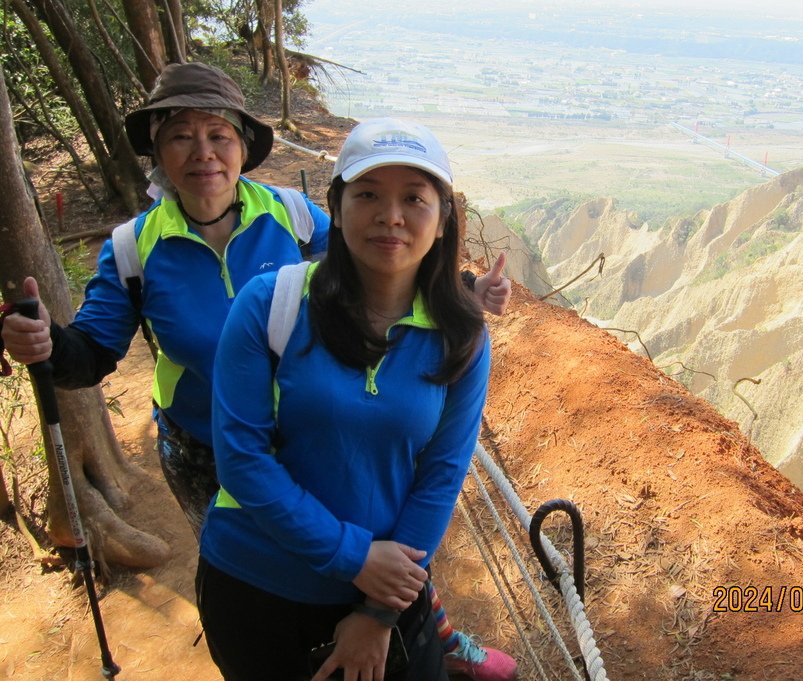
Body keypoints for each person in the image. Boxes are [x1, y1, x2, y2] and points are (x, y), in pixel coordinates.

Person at [0, 64, 515, 680]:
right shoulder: (137, 247)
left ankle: (423, 628)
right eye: (181, 136)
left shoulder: (290, 216)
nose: (203, 153)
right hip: (203, 446)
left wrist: (459, 291)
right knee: (268, 550)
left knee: (374, 509)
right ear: (158, 153)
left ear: (244, 146)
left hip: (315, 418)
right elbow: (92, 352)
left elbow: (385, 263)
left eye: (218, 134)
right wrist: (46, 344)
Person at [197, 117, 488, 681]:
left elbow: (441, 476)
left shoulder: (463, 336)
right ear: (336, 203)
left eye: (414, 198)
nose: (391, 216)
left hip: (387, 595)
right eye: (369, 195)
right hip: (256, 586)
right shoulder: (270, 305)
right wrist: (353, 557)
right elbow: (241, 459)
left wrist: (378, 614)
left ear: (443, 216)